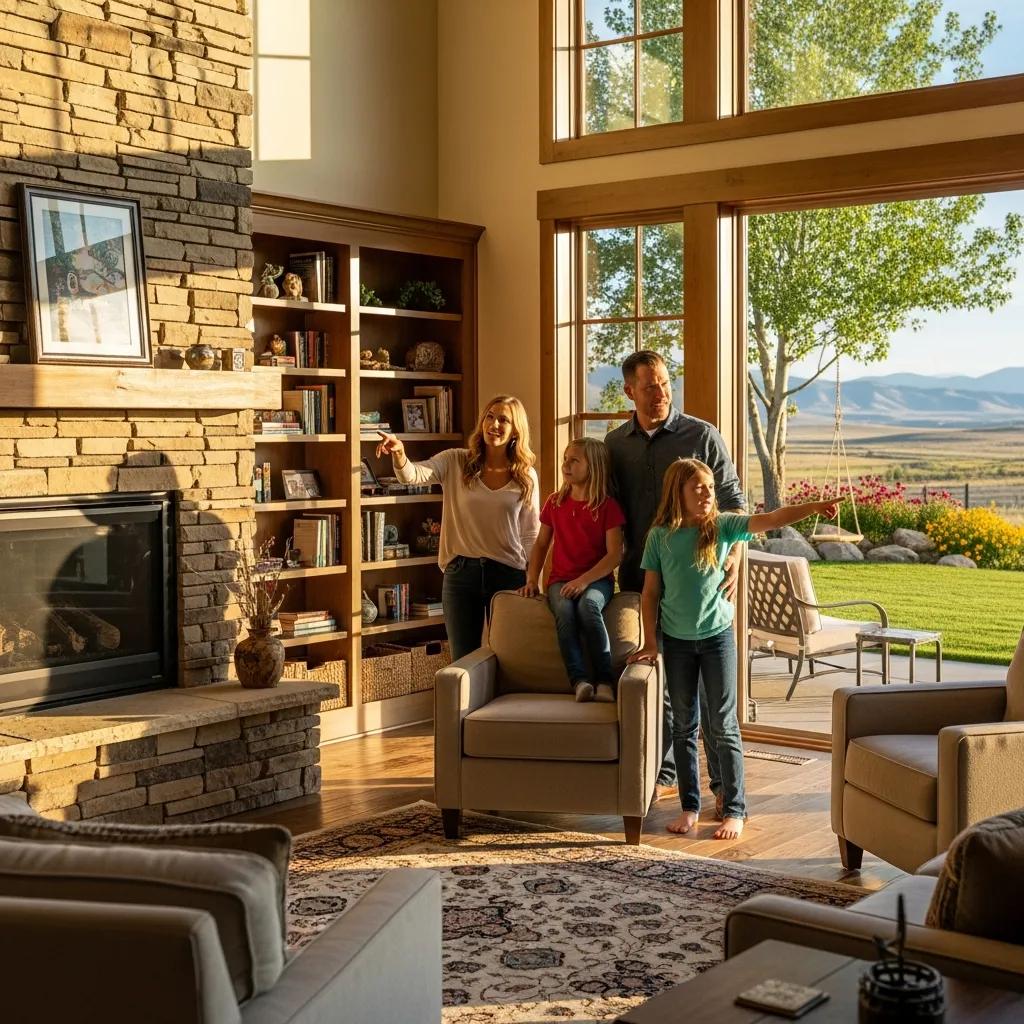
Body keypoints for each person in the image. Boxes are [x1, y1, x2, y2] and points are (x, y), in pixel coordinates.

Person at [629, 458, 838, 839]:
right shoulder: (660, 536)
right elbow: (650, 594)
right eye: (698, 487)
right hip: (676, 643)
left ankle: (735, 809)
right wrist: (650, 642)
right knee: (683, 727)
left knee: (724, 725)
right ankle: (690, 808)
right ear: (678, 492)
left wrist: (814, 508)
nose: (707, 493)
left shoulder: (724, 527)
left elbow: (772, 519)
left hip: (717, 639)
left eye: (710, 487)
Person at [605, 350, 746, 812]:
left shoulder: (701, 435)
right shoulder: (615, 445)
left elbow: (734, 501)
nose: (661, 392)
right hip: (641, 579)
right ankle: (665, 775)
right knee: (660, 681)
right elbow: (605, 512)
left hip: (703, 580)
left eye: (665, 383)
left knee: (709, 696)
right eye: (650, 386)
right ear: (630, 391)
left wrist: (734, 557)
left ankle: (722, 788)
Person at [376, 395, 540, 661]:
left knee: (510, 658)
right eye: (489, 417)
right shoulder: (456, 461)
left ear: (516, 431)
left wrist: (533, 580)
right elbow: (413, 476)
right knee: (464, 660)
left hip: (509, 576)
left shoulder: (525, 476)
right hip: (461, 575)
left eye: (503, 420)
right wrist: (399, 454)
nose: (494, 425)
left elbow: (530, 534)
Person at [518, 437, 625, 702]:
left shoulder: (608, 507)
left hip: (597, 581)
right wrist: (531, 579)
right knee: (565, 611)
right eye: (565, 459)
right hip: (560, 580)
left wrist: (584, 580)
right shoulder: (555, 502)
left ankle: (605, 682)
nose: (565, 465)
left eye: (574, 460)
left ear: (594, 466)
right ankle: (580, 681)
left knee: (588, 606)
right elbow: (541, 544)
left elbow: (615, 555)